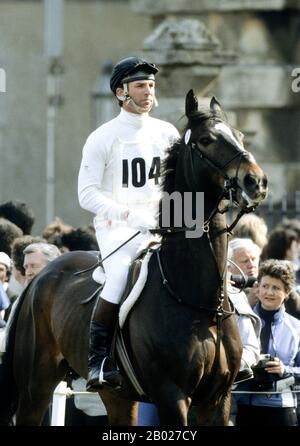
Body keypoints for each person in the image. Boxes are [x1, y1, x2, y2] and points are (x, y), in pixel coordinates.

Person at [78, 56, 179, 391]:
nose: (148, 91)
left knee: (209, 264)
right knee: (120, 275)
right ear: (121, 92)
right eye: (140, 85)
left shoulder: (167, 132)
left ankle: (243, 352)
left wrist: (190, 223)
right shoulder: (102, 137)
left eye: (151, 85)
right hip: (118, 226)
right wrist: (131, 215)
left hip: (165, 223)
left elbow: (181, 186)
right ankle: (99, 361)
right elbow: (86, 194)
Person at [235, 259, 300, 426]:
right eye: (265, 286)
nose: (269, 292)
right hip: (244, 406)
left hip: (281, 409)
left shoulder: (296, 327)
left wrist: (284, 369)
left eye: (276, 288)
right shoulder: (241, 321)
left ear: (287, 293)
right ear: (257, 288)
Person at [228, 238, 261, 307]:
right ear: (229, 268)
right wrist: (248, 305)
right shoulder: (226, 293)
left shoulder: (268, 285)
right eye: (245, 261)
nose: (251, 265)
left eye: (254, 259)